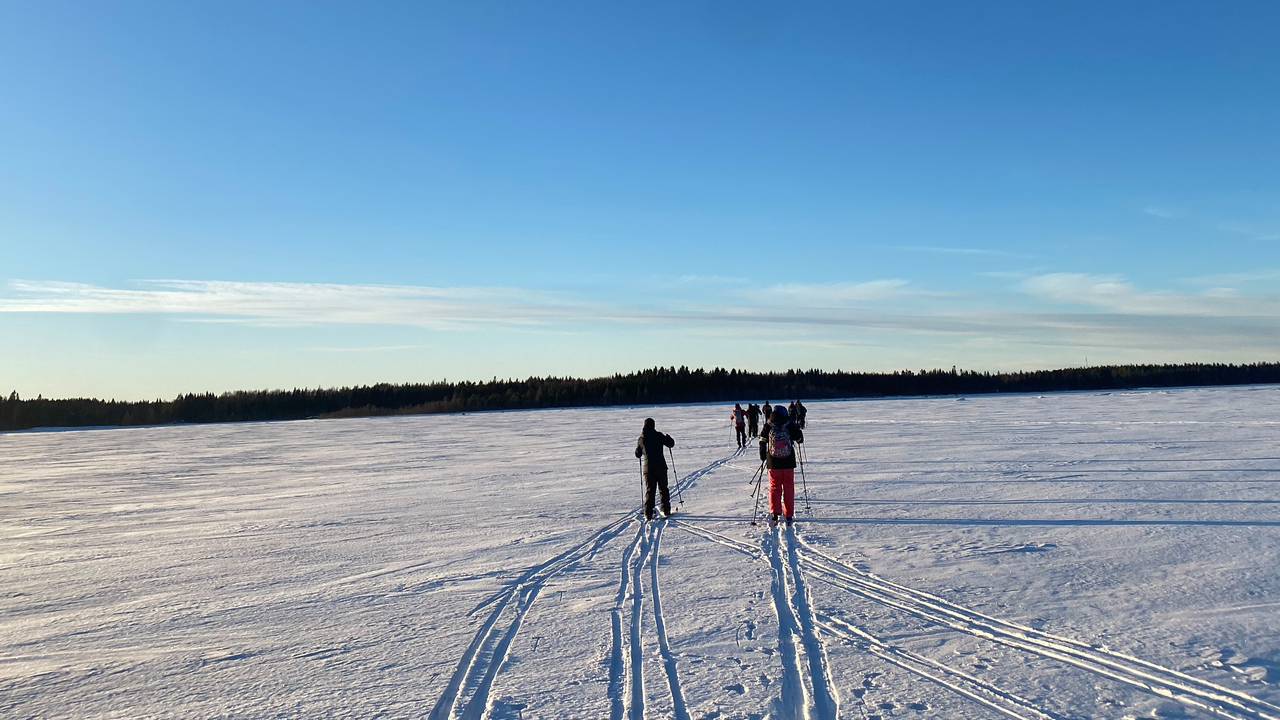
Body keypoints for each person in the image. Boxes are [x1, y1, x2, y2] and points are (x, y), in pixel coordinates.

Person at [759, 405, 804, 526]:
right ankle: (788, 514)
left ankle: (775, 512)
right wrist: (797, 430)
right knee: (788, 487)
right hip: (788, 461)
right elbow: (799, 439)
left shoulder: (768, 425)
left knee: (774, 487)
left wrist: (763, 456)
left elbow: (762, 440)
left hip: (773, 462)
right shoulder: (788, 424)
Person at [635, 418, 676, 520]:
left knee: (650, 490)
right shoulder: (658, 435)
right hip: (661, 467)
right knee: (663, 489)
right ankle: (666, 510)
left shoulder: (641, 439)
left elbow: (638, 454)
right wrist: (668, 437)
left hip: (648, 469)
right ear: (653, 425)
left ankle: (648, 513)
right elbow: (670, 444)